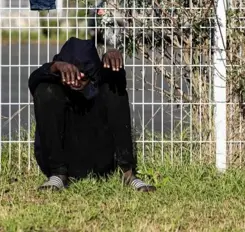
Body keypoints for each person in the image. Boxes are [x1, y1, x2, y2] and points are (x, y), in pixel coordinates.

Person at [28, 37, 156, 192]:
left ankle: (127, 173)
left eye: (82, 76)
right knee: (44, 90)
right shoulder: (54, 83)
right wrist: (53, 67)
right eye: (70, 75)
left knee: (113, 88)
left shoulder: (99, 81)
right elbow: (34, 79)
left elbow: (116, 82)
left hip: (99, 157)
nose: (75, 80)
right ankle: (58, 175)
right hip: (64, 160)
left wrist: (114, 66)